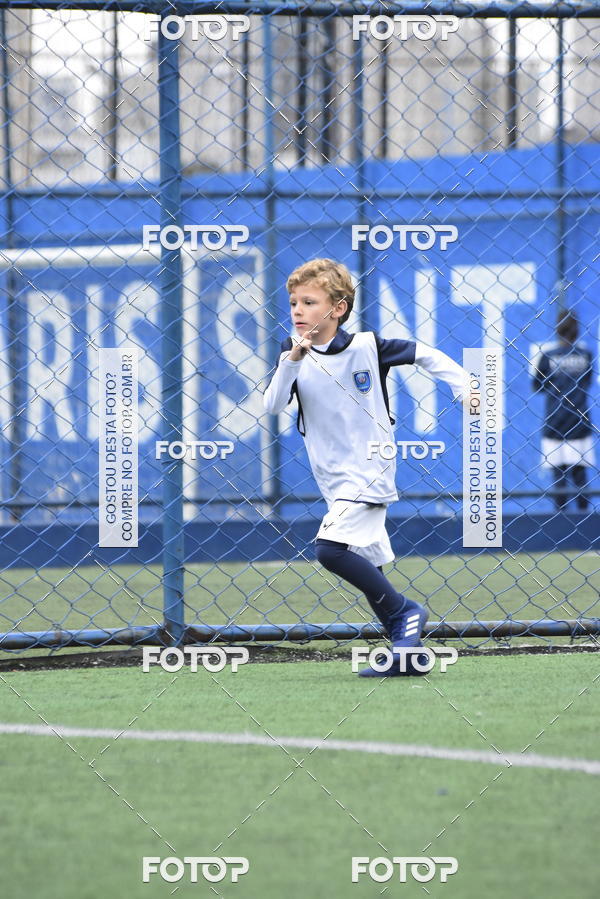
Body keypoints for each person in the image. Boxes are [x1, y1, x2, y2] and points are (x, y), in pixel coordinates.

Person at [263, 258, 470, 677]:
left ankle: (405, 612)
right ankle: (406, 654)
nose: (298, 310)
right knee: (366, 565)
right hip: (333, 480)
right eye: (294, 303)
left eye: (309, 302)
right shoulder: (292, 354)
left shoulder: (367, 348)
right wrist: (292, 360)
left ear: (338, 308)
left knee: (330, 549)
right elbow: (272, 405)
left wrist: (465, 385)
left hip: (370, 471)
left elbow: (425, 354)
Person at [531, 310, 594, 512]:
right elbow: (587, 382)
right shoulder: (585, 355)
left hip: (554, 423)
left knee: (559, 479)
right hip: (579, 422)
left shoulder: (548, 356)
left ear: (557, 329)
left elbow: (537, 385)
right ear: (577, 330)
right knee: (580, 476)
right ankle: (585, 521)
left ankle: (561, 521)